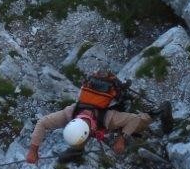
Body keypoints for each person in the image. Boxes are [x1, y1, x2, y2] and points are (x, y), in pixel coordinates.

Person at [25, 70, 157, 163]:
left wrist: (122, 138)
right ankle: (77, 151)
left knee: (137, 125)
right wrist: (33, 150)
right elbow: (42, 123)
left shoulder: (108, 118)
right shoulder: (69, 113)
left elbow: (133, 119)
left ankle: (155, 114)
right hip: (93, 116)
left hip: (110, 110)